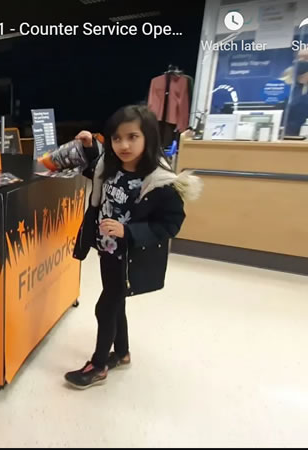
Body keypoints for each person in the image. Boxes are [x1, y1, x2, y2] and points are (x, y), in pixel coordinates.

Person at [41, 105, 202, 389]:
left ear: (148, 138)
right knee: (116, 303)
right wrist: (89, 146)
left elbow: (170, 224)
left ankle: (99, 365)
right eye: (117, 138)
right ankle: (123, 352)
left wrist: (128, 231)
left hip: (129, 257)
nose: (124, 145)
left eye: (132, 137)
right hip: (108, 252)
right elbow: (94, 166)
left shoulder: (160, 183)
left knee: (105, 307)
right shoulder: (111, 165)